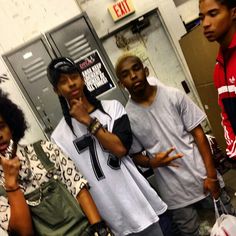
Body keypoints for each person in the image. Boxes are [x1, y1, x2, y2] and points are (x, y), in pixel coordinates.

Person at [47, 57, 169, 236]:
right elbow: (75, 187)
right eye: (63, 82)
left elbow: (120, 149)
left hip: (140, 205)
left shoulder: (112, 109)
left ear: (83, 78)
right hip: (109, 218)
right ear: (57, 90)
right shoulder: (58, 137)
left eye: (74, 77)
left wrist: (88, 120)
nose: (71, 84)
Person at [115, 54, 235, 236]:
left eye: (136, 68)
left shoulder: (173, 96)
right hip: (175, 197)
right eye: (125, 74)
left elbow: (199, 135)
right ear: (120, 83)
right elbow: (136, 155)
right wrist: (153, 162)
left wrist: (211, 176)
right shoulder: (128, 117)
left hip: (203, 180)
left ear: (145, 70)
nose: (133, 76)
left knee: (231, 226)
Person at [0, 89, 112, 235]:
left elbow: (78, 188)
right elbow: (24, 232)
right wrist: (11, 184)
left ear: (11, 125)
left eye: (1, 126)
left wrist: (100, 230)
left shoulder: (44, 150)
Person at [199, 0, 236, 159]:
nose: (205, 24)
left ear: (233, 13)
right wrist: (232, 149)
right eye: (202, 17)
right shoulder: (219, 67)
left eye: (213, 14)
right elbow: (226, 114)